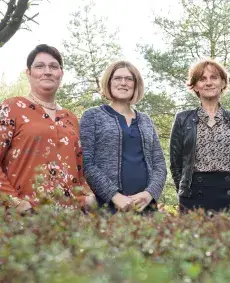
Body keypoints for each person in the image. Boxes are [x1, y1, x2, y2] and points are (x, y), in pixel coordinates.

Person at [0, 44, 94, 213]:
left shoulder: (70, 117)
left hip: (68, 220)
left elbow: (80, 169)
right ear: (28, 73)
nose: (47, 71)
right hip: (23, 218)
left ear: (61, 73)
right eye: (40, 66)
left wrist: (87, 196)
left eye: (53, 66)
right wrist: (16, 203)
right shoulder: (12, 108)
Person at [80, 61, 166, 214]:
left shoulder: (146, 120)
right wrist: (114, 195)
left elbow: (159, 163)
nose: (123, 83)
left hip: (145, 208)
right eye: (118, 78)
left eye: (129, 79)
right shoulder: (92, 116)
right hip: (106, 208)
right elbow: (87, 163)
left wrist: (149, 194)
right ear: (109, 82)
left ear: (135, 84)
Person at [170, 59, 230, 216]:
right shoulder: (182, 119)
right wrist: (183, 192)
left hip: (228, 194)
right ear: (195, 86)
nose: (208, 83)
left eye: (214, 77)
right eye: (202, 79)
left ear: (223, 83)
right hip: (192, 195)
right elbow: (176, 164)